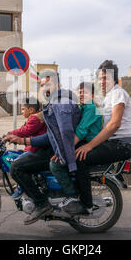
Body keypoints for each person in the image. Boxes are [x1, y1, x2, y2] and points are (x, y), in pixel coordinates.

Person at [2, 70, 81, 225]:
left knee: (16, 167)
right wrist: (23, 141)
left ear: (57, 85)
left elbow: (66, 132)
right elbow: (50, 137)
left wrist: (62, 153)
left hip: (56, 152)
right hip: (53, 148)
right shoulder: (55, 103)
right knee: (22, 161)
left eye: (48, 84)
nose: (45, 88)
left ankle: (41, 203)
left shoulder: (60, 103)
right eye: (42, 86)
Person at [64, 60, 131, 215]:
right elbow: (92, 120)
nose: (102, 81)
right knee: (76, 151)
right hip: (112, 143)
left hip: (122, 144)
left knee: (80, 157)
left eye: (106, 78)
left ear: (114, 79)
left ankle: (86, 205)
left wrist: (89, 146)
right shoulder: (105, 99)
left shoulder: (118, 93)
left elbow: (114, 125)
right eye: (100, 78)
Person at [49, 82, 102, 210]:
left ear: (93, 95)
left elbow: (81, 131)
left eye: (86, 92)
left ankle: (74, 197)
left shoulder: (91, 108)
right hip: (82, 141)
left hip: (88, 143)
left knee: (60, 163)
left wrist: (64, 150)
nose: (82, 94)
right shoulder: (82, 108)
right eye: (80, 92)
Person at [5, 97, 47, 199]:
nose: (22, 111)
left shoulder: (35, 118)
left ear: (31, 110)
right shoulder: (38, 116)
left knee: (16, 164)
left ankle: (21, 186)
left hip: (35, 149)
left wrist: (10, 134)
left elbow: (25, 131)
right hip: (36, 148)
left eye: (23, 109)